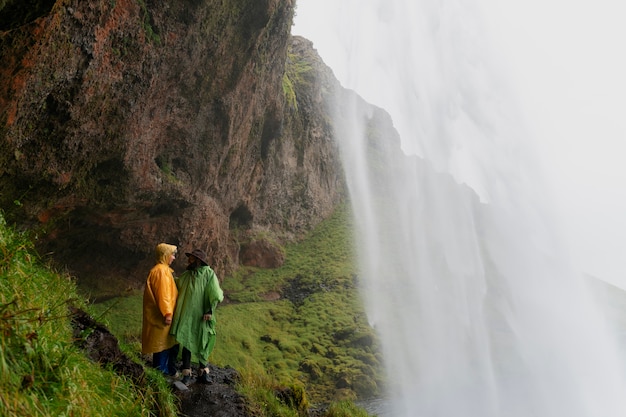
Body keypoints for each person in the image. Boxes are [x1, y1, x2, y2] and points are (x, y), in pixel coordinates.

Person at [170, 249, 224, 384]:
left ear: (198, 261)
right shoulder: (187, 275)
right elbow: (177, 284)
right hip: (188, 314)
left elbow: (215, 293)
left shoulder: (209, 274)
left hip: (202, 315)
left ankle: (203, 372)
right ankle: (186, 373)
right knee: (187, 340)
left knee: (203, 341)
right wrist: (166, 276)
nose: (189, 261)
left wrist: (209, 311)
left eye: (192, 259)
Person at [141, 243, 179, 376]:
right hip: (160, 317)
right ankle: (161, 374)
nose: (173, 258)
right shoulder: (161, 272)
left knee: (164, 344)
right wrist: (167, 313)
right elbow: (164, 295)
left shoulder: (163, 270)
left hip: (160, 315)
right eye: (172, 255)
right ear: (165, 255)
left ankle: (165, 372)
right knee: (161, 345)